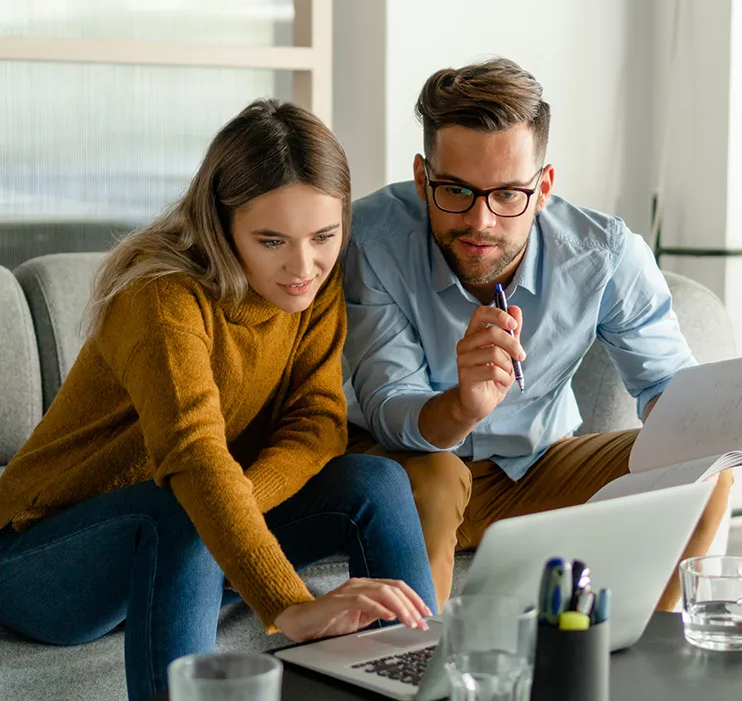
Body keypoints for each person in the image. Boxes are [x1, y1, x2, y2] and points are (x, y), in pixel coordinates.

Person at [0, 100, 436, 701]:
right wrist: (288, 603)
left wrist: (234, 512)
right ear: (220, 224)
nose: (303, 266)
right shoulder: (162, 296)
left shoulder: (312, 287)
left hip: (188, 539)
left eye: (324, 237)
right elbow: (195, 457)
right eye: (271, 240)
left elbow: (317, 424)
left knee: (375, 481)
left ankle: (421, 684)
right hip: (44, 559)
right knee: (184, 503)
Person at [342, 58, 732, 608]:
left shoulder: (604, 254)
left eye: (508, 195)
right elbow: (389, 406)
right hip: (408, 464)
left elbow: (670, 385)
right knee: (435, 480)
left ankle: (644, 664)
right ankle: (416, 674)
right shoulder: (371, 242)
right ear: (422, 178)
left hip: (536, 466)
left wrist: (701, 423)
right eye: (455, 191)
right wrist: (463, 405)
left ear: (543, 186)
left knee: (704, 475)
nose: (481, 222)